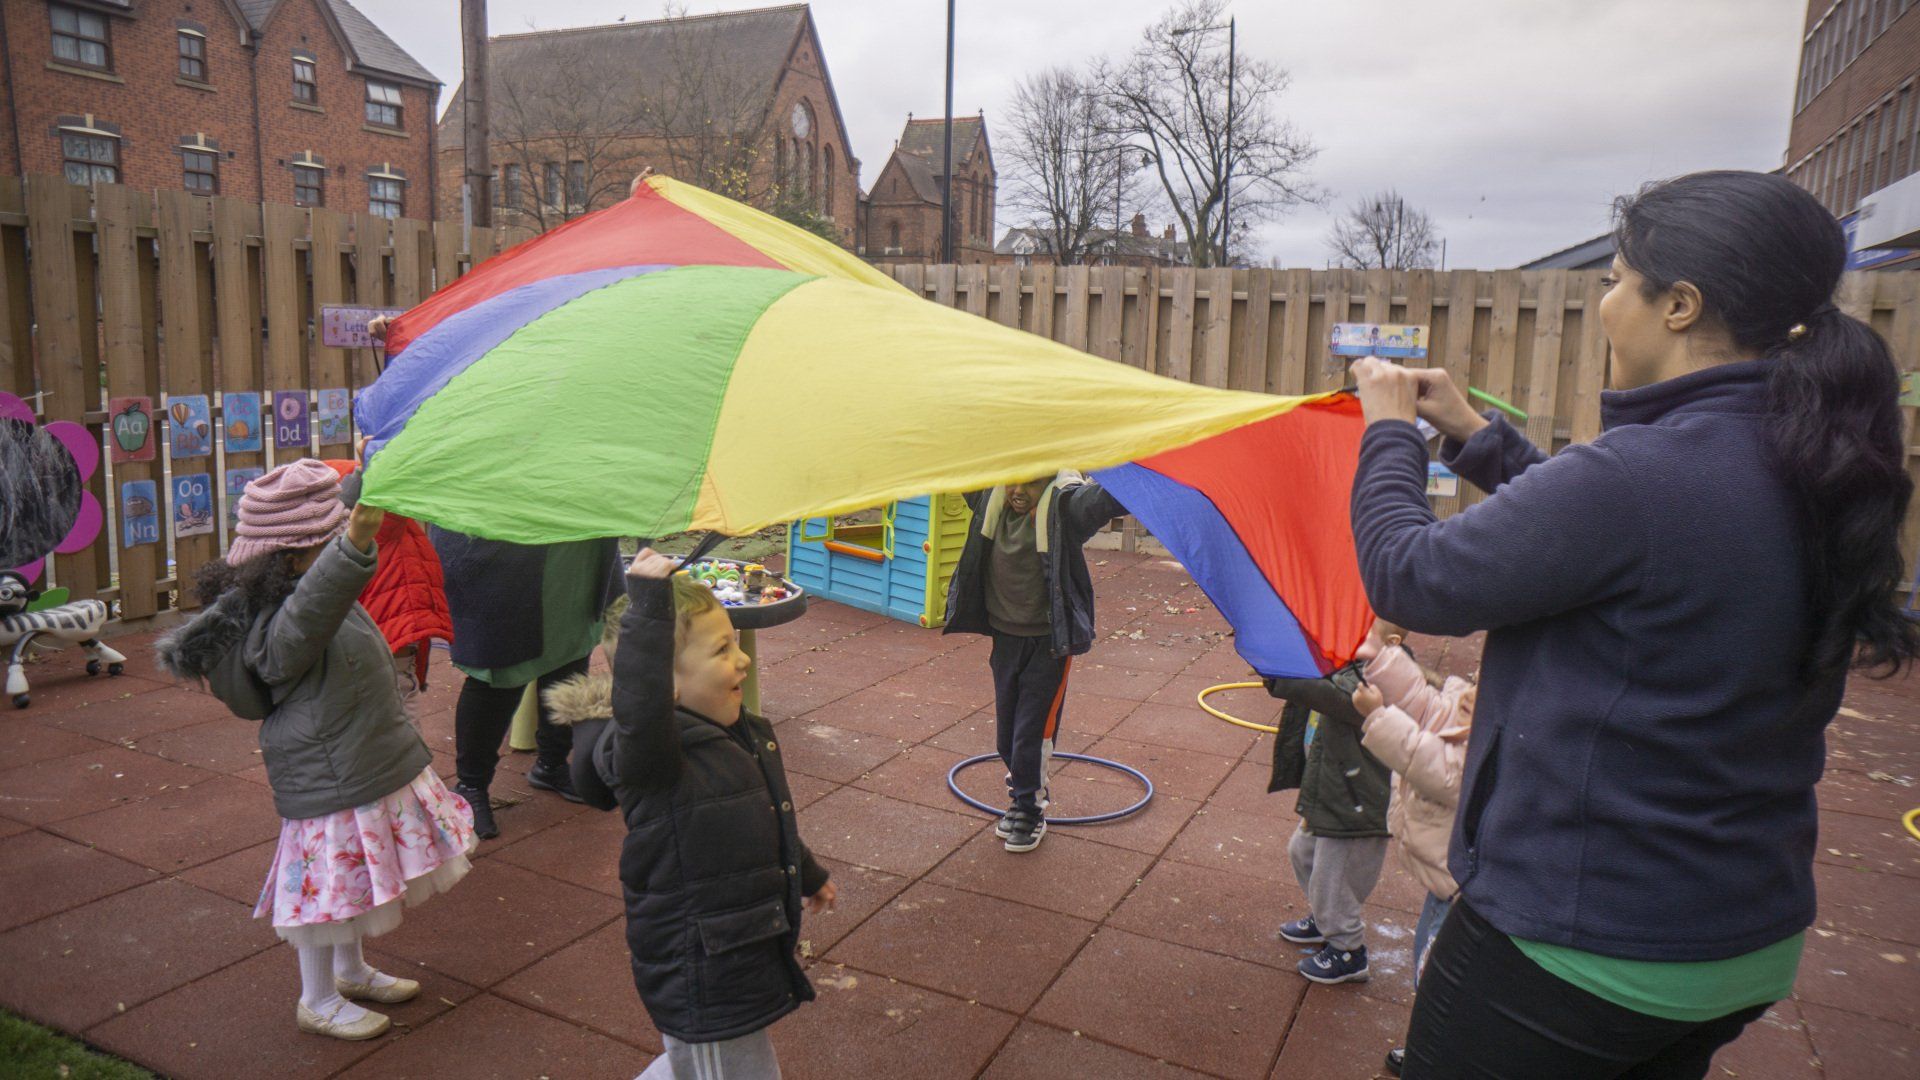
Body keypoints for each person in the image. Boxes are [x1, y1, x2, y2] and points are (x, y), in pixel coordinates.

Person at [1346, 170, 1918, 1078]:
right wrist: (1474, 434)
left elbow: (1410, 576)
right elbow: (1616, 537)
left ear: (1680, 305)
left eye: (1616, 280)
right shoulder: (1813, 452)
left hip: (1584, 945)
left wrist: (1386, 433)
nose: (1606, 303)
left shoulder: (1638, 474)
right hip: (1739, 936)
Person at [157, 460, 475, 1041]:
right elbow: (308, 622)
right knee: (327, 892)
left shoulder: (300, 591)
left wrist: (375, 468)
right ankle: (317, 998)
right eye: (323, 541)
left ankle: (350, 972)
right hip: (329, 772)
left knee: (353, 880)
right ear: (292, 555)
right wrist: (353, 545)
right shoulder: (286, 614)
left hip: (355, 759)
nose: (334, 545)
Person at [545, 549, 834, 1080]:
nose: (743, 659)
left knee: (694, 1068)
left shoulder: (731, 732)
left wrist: (808, 874)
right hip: (699, 962)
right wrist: (649, 604)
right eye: (723, 649)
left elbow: (760, 820)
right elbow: (639, 703)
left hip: (735, 949)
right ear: (665, 683)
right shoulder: (654, 758)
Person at [943, 471, 1125, 851]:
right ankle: (1022, 795)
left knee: (1032, 732)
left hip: (1047, 644)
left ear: (1048, 482)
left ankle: (1029, 808)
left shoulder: (1065, 507)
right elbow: (958, 461)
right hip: (1005, 638)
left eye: (1029, 484)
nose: (1017, 492)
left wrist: (1137, 462)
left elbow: (1108, 499)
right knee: (1007, 737)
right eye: (1013, 481)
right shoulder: (989, 500)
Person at [430, 527, 622, 838]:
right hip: (510, 552)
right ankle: (471, 784)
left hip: (576, 551)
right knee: (499, 674)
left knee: (570, 657)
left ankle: (552, 763)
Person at [1344, 623, 1475, 1076]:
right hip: (1450, 873)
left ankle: (1439, 1052)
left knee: (1441, 974)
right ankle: (1434, 1041)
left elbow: (1447, 774)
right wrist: (1381, 661)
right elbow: (1440, 712)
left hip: (1467, 880)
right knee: (1432, 956)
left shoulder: (1536, 708)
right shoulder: (1501, 692)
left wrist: (1380, 719)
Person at [1265, 627, 1393, 985]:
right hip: (1332, 791)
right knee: (1302, 853)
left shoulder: (1384, 673)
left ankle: (1349, 950)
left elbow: (1343, 699)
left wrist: (1281, 676)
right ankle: (1327, 919)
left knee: (1334, 880)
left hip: (1358, 802)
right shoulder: (1338, 661)